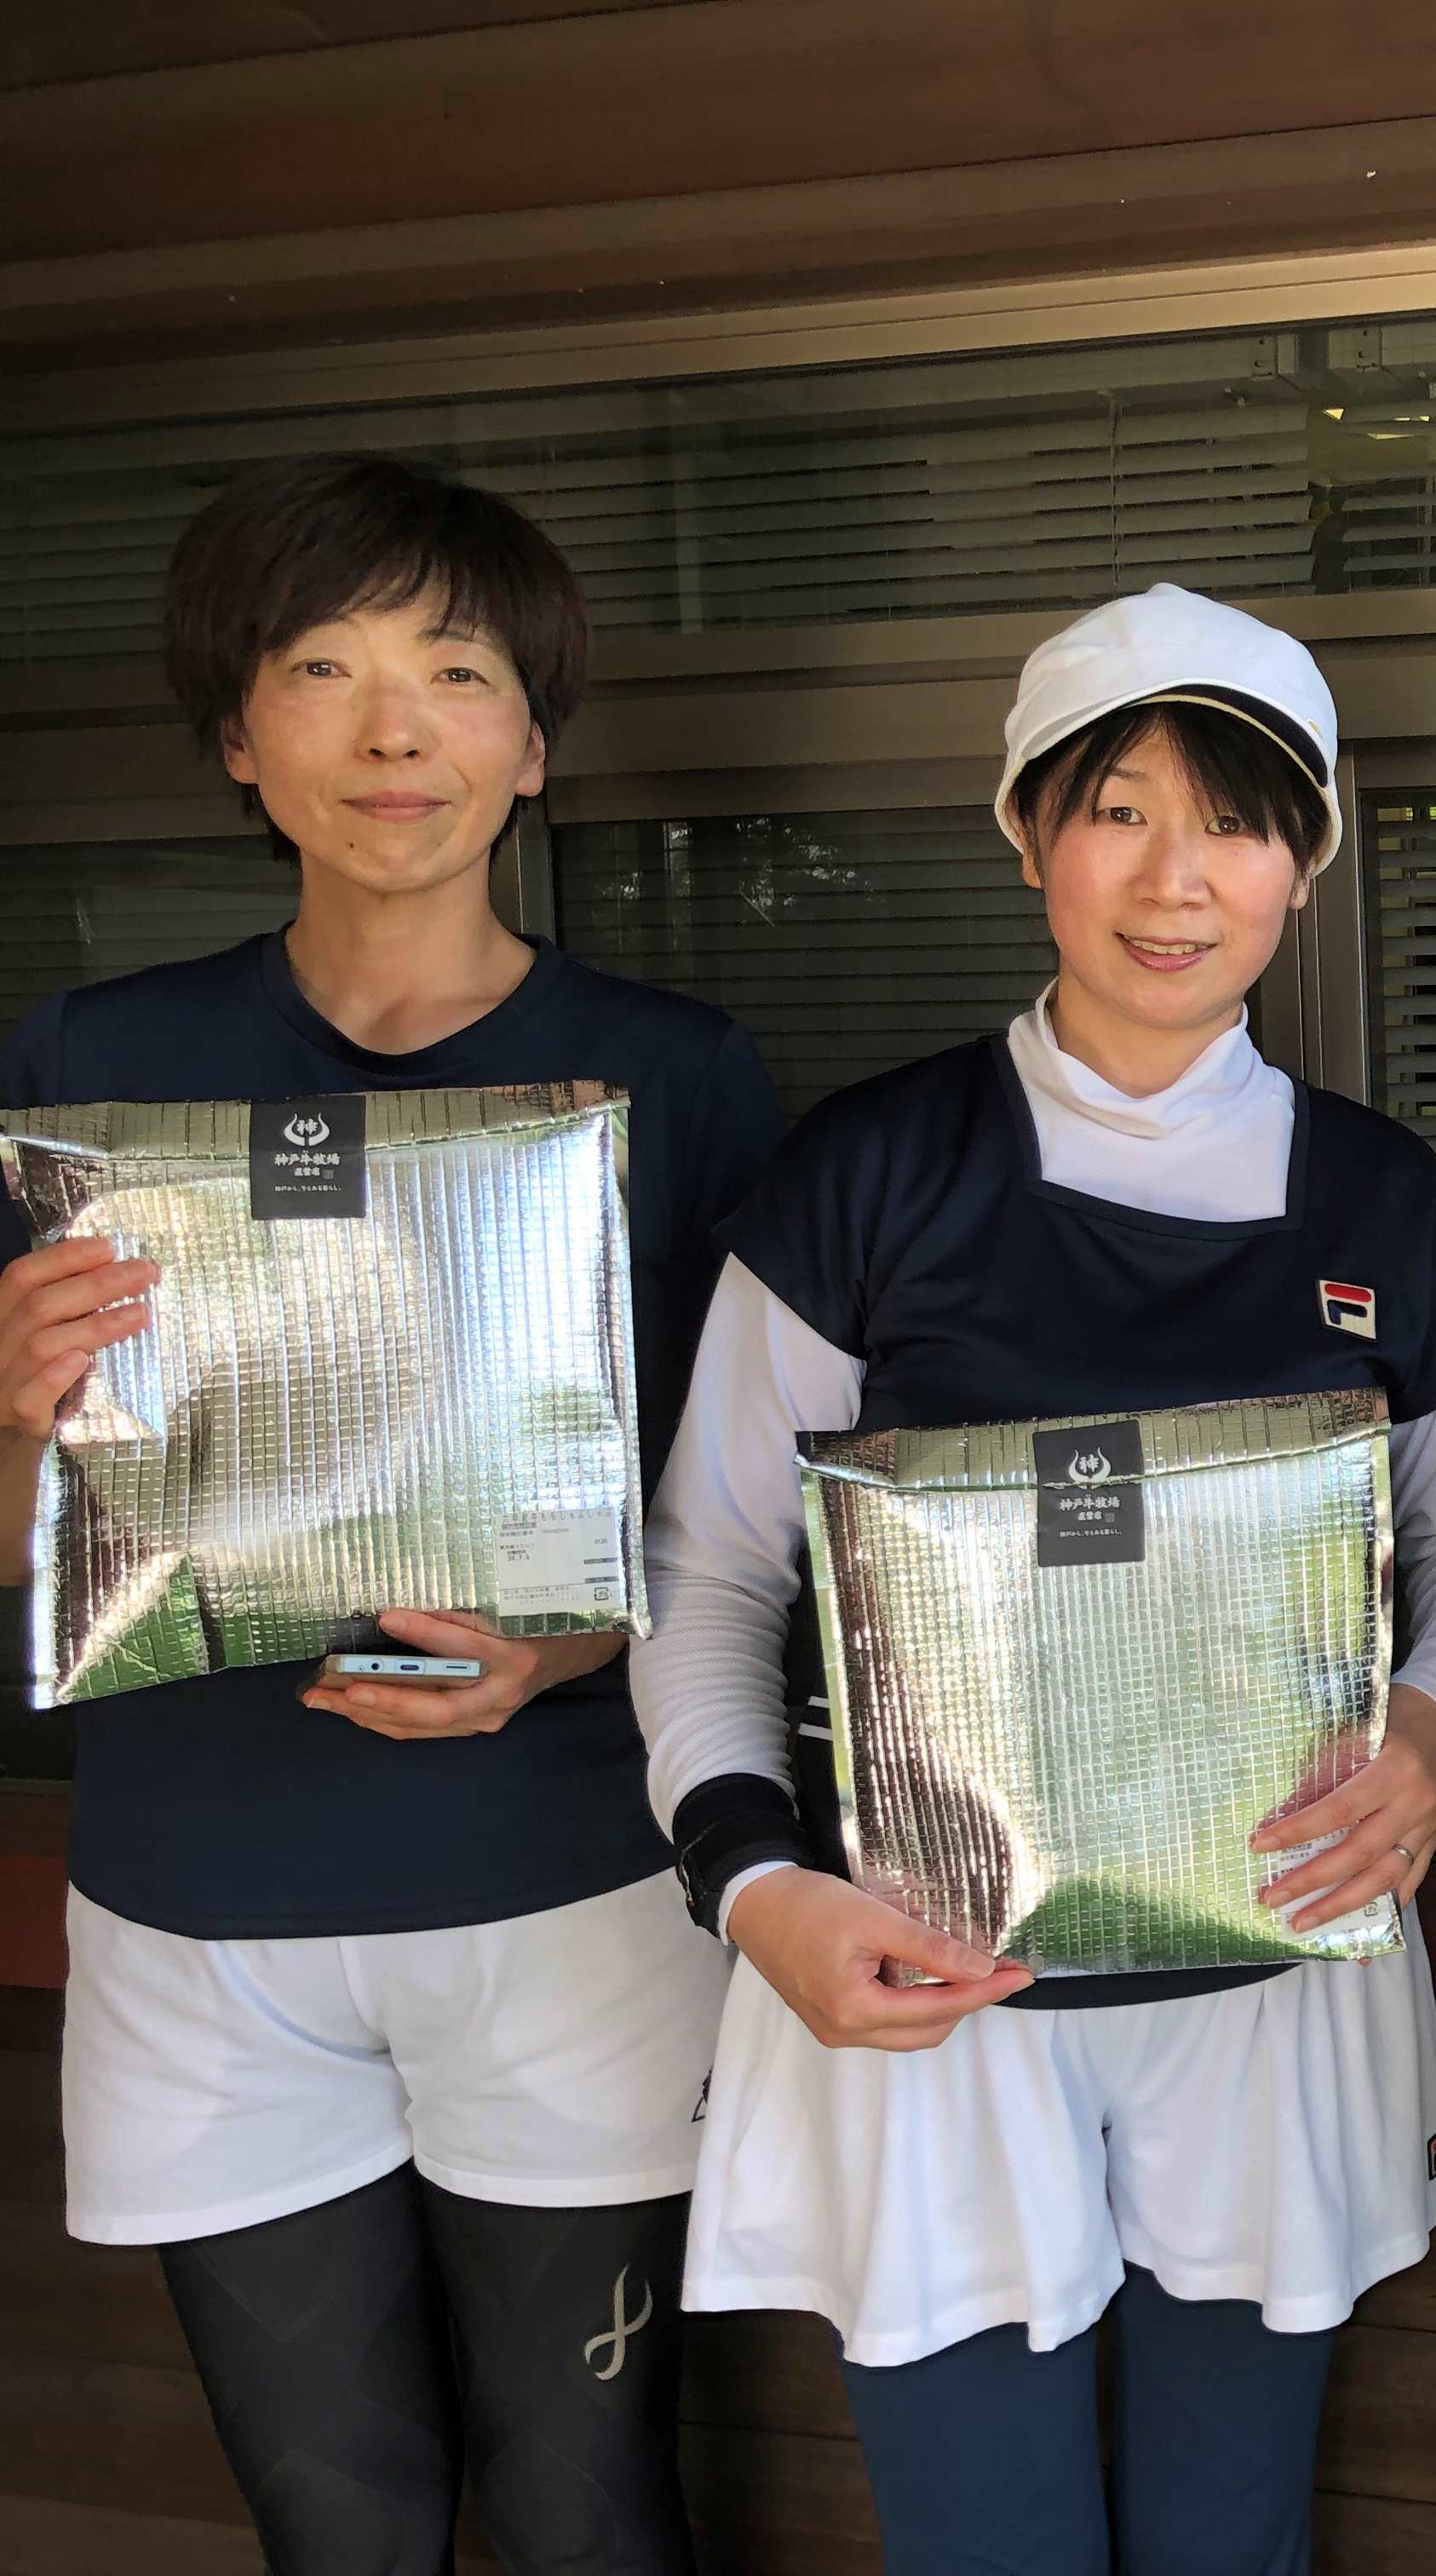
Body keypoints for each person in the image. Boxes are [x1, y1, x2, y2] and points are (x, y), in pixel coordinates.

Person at [633, 584, 1436, 2576]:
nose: (1174, 877)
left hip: (1274, 1981)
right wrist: (755, 1884)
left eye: (1233, 822)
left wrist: (1430, 1734)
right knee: (986, 2539)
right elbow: (711, 1569)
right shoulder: (870, 1175)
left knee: (1233, 2530)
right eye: (1118, 810)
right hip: (927, 1988)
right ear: (1031, 834)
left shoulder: (1383, 1199)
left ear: (1302, 862)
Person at [0, 453, 785, 2573]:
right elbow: (25, 1549)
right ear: (239, 739)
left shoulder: (675, 1074)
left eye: (455, 671)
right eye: (322, 669)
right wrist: (12, 1409)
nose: (392, 730)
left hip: (565, 1878)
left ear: (532, 741)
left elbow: (750, 1531)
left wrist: (569, 1648)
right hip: (197, 1896)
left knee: (591, 2502)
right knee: (332, 2521)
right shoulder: (95, 1066)